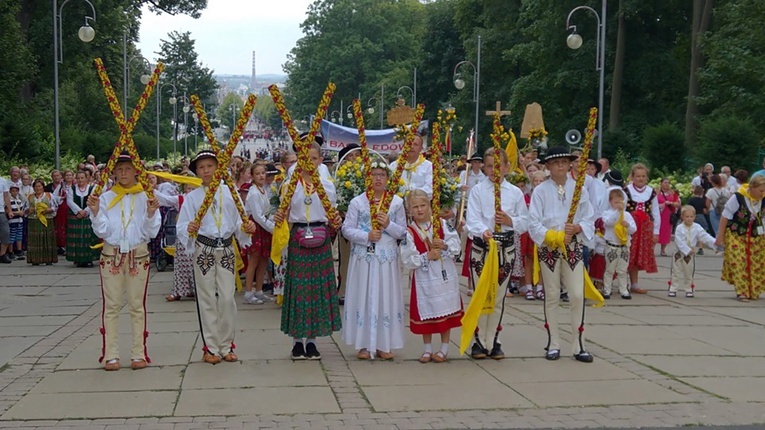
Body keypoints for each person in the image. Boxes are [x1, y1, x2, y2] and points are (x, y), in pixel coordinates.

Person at [177, 150, 255, 364]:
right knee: (207, 299)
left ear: (218, 168)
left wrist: (247, 227)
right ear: (197, 172)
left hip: (227, 248)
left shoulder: (230, 193)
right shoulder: (193, 197)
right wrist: (190, 228)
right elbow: (182, 225)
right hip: (204, 248)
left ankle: (227, 344)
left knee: (228, 298)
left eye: (210, 166)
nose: (206, 171)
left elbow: (239, 221)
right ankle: (210, 347)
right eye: (201, 167)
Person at [87, 152, 161, 370]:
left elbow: (152, 231)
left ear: (136, 170)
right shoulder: (107, 197)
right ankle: (111, 354)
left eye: (127, 168)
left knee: (137, 305)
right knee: (111, 305)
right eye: (119, 169)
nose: (123, 173)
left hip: (138, 255)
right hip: (112, 255)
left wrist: (149, 213)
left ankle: (138, 353)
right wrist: (95, 211)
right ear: (113, 172)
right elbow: (102, 230)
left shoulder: (146, 196)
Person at [273, 141, 342, 360]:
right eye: (305, 159)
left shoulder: (327, 185)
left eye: (313, 158)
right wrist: (277, 217)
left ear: (320, 161)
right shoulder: (291, 184)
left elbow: (332, 213)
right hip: (299, 236)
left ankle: (312, 341)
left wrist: (337, 219)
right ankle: (296, 341)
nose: (309, 163)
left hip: (320, 236)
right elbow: (283, 212)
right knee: (299, 289)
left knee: (317, 289)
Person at [528, 146, 595, 363]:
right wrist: (552, 236)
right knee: (553, 294)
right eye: (555, 163)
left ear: (570, 165)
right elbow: (534, 223)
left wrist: (577, 228)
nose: (560, 166)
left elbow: (589, 217)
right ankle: (554, 342)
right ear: (547, 166)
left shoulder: (579, 190)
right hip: (549, 247)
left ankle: (578, 343)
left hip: (573, 247)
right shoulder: (540, 191)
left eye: (564, 162)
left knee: (576, 294)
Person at [465, 148, 529, 360]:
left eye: (499, 166)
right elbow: (472, 217)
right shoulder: (477, 191)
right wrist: (483, 230)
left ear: (507, 167)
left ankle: (493, 339)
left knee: (499, 296)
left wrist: (510, 221)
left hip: (505, 249)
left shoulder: (514, 192)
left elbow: (525, 221)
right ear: (484, 166)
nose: (495, 170)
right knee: (482, 294)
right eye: (490, 165)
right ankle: (479, 340)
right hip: (483, 247)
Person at [341, 162, 407, 360]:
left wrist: (388, 224)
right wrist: (366, 235)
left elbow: (403, 232)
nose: (378, 178)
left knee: (384, 296)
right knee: (364, 295)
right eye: (374, 174)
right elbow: (346, 229)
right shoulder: (357, 202)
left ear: (388, 179)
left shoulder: (396, 202)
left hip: (386, 259)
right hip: (364, 258)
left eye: (381, 175)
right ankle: (363, 343)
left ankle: (383, 343)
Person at [401, 189, 462, 363]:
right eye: (415, 207)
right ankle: (427, 348)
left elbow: (455, 243)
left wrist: (443, 245)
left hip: (443, 275)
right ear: (409, 210)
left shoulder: (441, 224)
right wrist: (426, 257)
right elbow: (407, 258)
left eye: (422, 205)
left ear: (429, 206)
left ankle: (444, 348)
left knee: (445, 309)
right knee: (427, 310)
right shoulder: (409, 232)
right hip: (424, 277)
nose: (419, 210)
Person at [716, 174, 765, 302]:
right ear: (752, 188)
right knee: (738, 262)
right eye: (761, 190)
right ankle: (741, 291)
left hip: (756, 236)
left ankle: (753, 290)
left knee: (756, 263)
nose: (763, 193)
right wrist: (720, 236)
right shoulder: (738, 197)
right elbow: (725, 215)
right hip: (736, 234)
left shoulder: (763, 199)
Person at [625, 163, 660, 294]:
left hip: (645, 228)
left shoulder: (651, 192)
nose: (640, 178)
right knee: (628, 254)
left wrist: (656, 232)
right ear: (632, 177)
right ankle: (622, 282)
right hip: (630, 227)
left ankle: (634, 283)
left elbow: (656, 213)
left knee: (638, 256)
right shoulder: (626, 191)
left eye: (643, 176)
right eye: (638, 176)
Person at [243, 163, 275, 305]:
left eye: (263, 173)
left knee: (263, 260)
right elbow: (257, 216)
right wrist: (271, 227)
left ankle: (259, 290)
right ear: (252, 176)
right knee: (254, 260)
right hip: (257, 228)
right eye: (258, 174)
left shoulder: (263, 190)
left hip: (264, 227)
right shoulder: (253, 193)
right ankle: (249, 292)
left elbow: (266, 211)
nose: (261, 176)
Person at [670, 205, 718, 298]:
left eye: (691, 217)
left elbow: (705, 236)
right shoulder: (679, 227)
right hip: (679, 253)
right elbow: (678, 241)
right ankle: (673, 288)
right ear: (682, 217)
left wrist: (715, 243)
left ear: (694, 217)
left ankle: (689, 288)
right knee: (675, 271)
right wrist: (687, 250)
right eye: (687, 217)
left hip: (690, 253)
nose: (689, 219)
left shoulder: (697, 227)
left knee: (689, 271)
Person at [601, 187, 637, 299]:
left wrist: (628, 226)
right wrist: (617, 212)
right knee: (610, 269)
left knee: (622, 270)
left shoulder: (627, 215)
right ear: (610, 202)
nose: (618, 204)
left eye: (620, 202)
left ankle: (624, 290)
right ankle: (607, 289)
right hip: (612, 245)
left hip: (624, 245)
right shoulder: (607, 213)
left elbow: (633, 229)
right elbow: (609, 222)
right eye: (615, 202)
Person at [66, 171, 99, 267]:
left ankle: (89, 259)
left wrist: (85, 211)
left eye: (82, 178)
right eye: (78, 178)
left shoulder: (92, 188)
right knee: (76, 238)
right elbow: (69, 201)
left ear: (86, 179)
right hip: (75, 216)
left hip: (88, 216)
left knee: (88, 238)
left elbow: (93, 200)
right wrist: (78, 211)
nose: (80, 180)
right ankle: (77, 259)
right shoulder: (72, 189)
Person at [389, 134, 433, 199]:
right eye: (409, 143)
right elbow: (388, 186)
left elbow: (430, 189)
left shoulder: (429, 166)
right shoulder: (394, 165)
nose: (411, 147)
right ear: (403, 146)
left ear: (421, 148)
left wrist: (411, 195)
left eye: (415, 144)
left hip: (420, 206)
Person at [27, 179, 58, 265]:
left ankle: (48, 259)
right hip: (34, 220)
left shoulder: (49, 196)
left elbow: (55, 207)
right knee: (35, 240)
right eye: (36, 186)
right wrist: (29, 210)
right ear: (33, 188)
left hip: (47, 219)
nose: (38, 188)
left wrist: (49, 210)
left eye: (39, 186)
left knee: (47, 239)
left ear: (43, 187)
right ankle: (35, 259)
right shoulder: (30, 197)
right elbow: (24, 209)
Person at [657, 178, 681, 256]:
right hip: (658, 214)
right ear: (661, 183)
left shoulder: (672, 193)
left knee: (666, 232)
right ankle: (651, 249)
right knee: (656, 231)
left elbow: (678, 204)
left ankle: (663, 250)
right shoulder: (657, 192)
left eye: (668, 183)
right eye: (665, 182)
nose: (667, 184)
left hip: (668, 215)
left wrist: (670, 203)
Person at [7, 183, 26, 260]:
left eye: (16, 191)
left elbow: (22, 210)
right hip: (12, 221)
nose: (14, 192)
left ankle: (19, 250)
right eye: (13, 191)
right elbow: (9, 211)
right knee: (12, 236)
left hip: (19, 220)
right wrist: (17, 213)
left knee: (19, 236)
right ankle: (10, 251)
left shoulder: (19, 201)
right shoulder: (9, 201)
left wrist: (22, 213)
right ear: (10, 192)